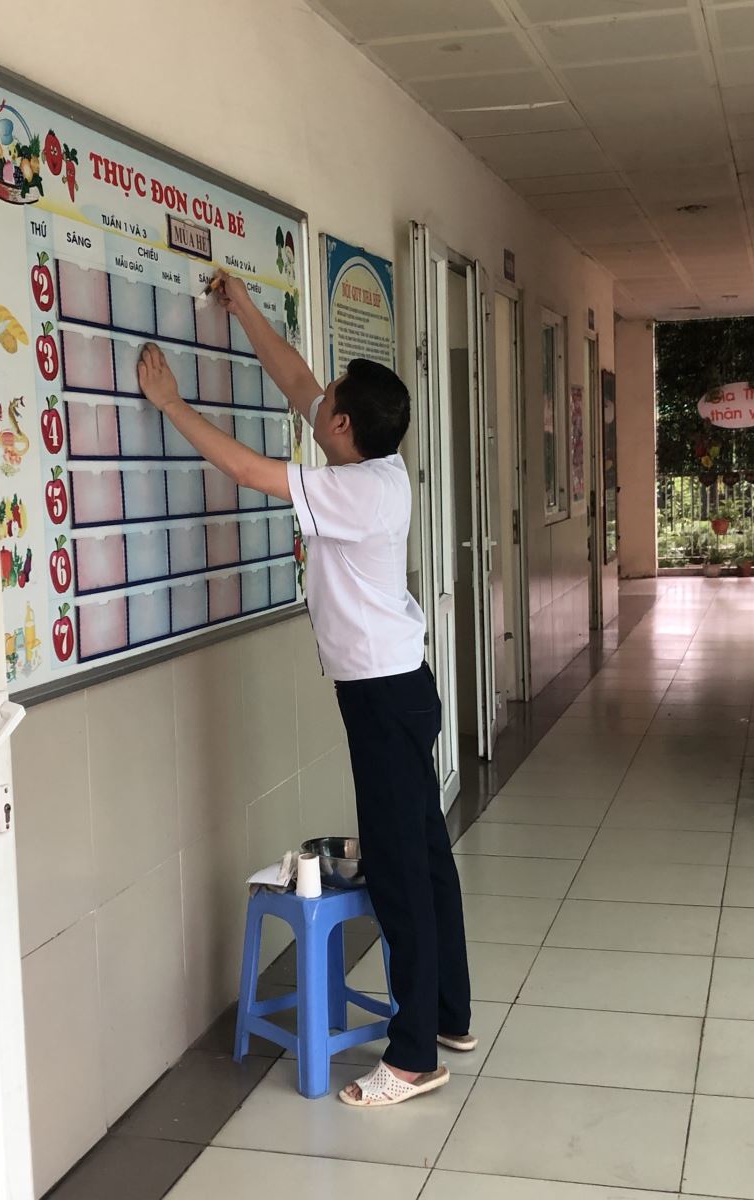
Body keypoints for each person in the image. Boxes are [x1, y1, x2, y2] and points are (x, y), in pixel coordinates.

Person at [137, 270, 472, 1108]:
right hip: (400, 686)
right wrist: (245, 308)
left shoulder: (353, 492)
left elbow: (250, 470)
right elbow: (295, 379)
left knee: (399, 874)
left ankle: (412, 1059)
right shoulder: (379, 466)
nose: (316, 401)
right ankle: (448, 1013)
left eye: (331, 402)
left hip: (383, 697)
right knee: (425, 855)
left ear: (344, 427)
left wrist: (171, 405)